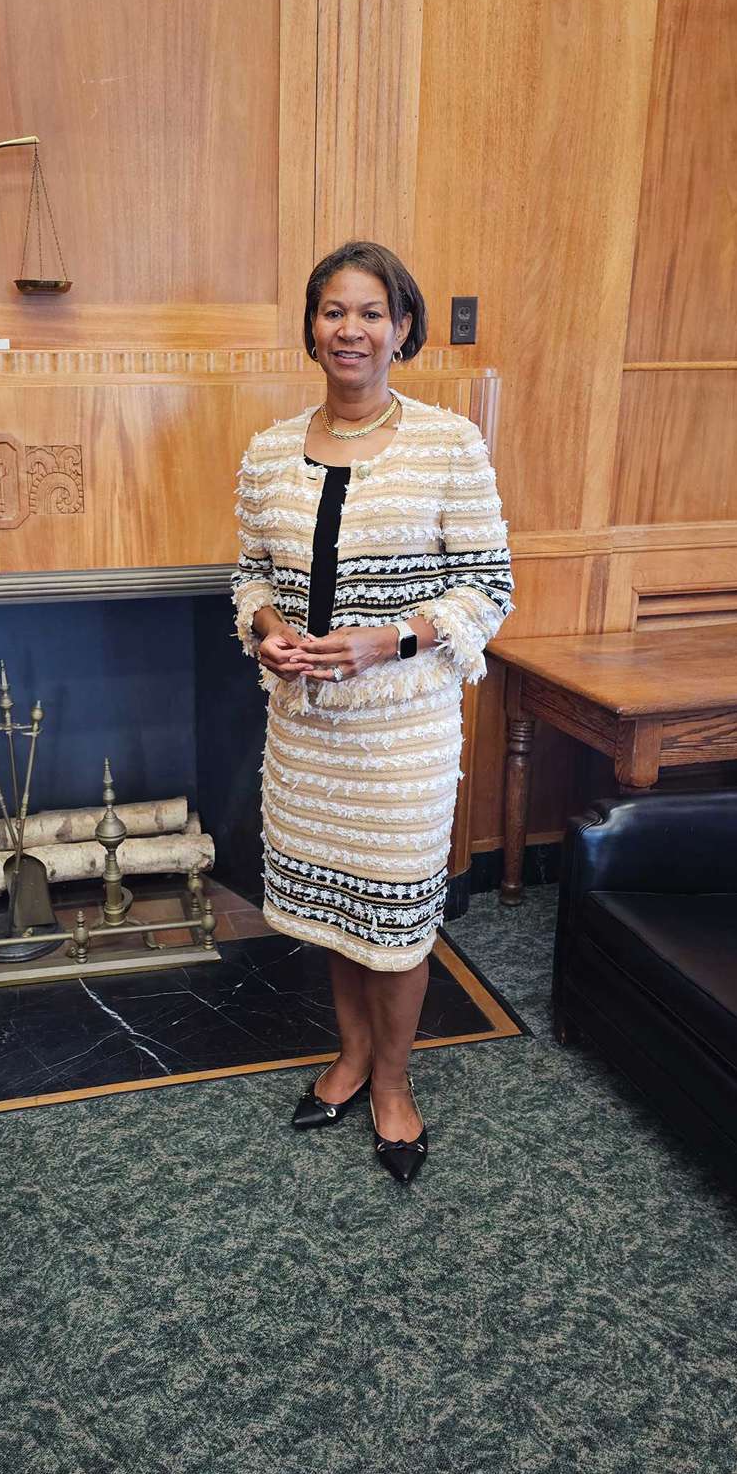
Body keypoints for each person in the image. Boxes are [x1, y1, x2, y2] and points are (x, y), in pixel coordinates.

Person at [232, 240, 513, 1184]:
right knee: (338, 910)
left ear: (402, 329)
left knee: (394, 919)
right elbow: (251, 575)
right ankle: (351, 1058)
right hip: (307, 732)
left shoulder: (449, 444)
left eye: (370, 313)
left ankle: (393, 1082)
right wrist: (268, 628)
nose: (349, 330)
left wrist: (387, 640)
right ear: (312, 327)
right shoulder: (269, 451)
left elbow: (488, 589)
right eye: (332, 311)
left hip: (402, 736)